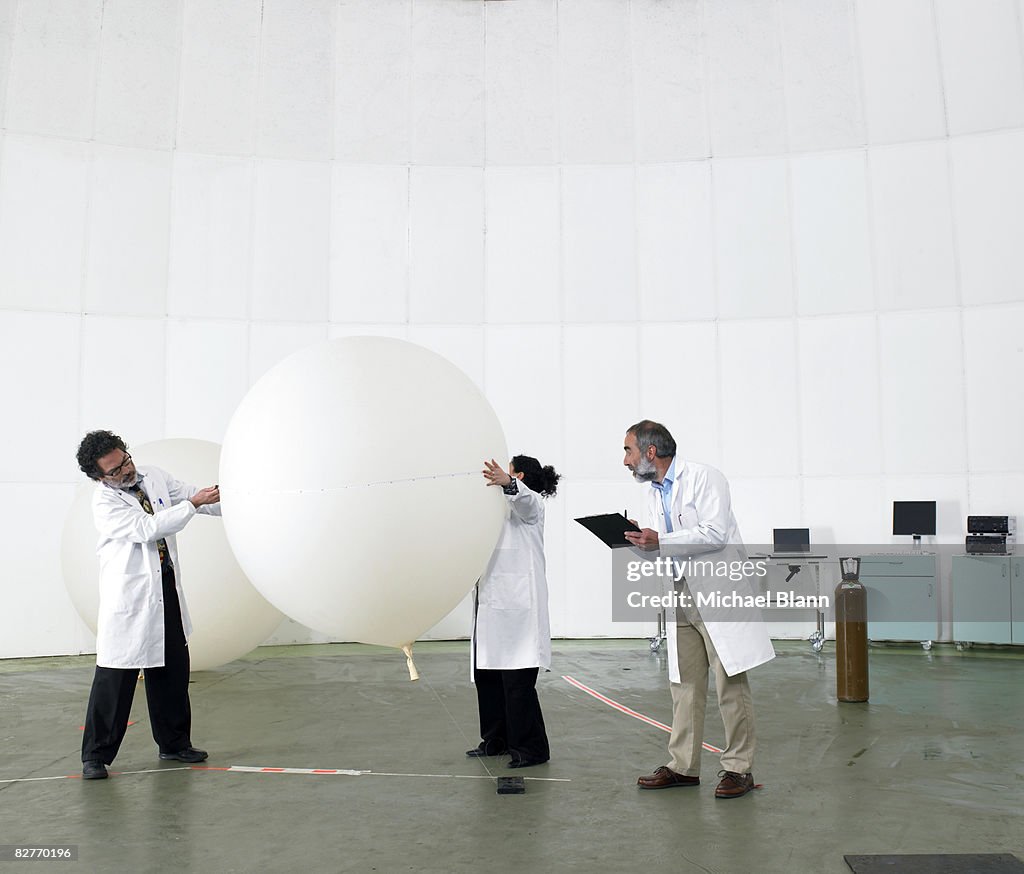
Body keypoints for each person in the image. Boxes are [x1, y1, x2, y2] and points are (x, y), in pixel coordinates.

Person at [622, 420, 775, 799]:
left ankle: (738, 768)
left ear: (650, 452)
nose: (625, 460)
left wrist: (663, 539)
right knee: (684, 684)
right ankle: (683, 766)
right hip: (680, 590)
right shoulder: (655, 491)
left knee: (730, 683)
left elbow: (714, 532)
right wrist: (644, 538)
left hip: (718, 590)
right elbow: (667, 541)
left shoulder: (706, 478)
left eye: (629, 451)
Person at [75, 430, 221, 780]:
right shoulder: (104, 503)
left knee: (172, 670)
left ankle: (174, 743)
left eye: (125, 459)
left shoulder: (153, 476)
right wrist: (194, 504)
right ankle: (95, 756)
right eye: (114, 470)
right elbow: (147, 527)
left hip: (164, 585)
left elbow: (192, 495)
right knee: (115, 679)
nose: (125, 470)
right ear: (99, 477)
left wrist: (237, 500)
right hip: (130, 598)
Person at [466, 455, 560, 768]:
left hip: (520, 610)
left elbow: (527, 504)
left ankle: (531, 749)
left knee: (518, 684)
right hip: (492, 605)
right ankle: (496, 740)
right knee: (488, 677)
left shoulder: (529, 504)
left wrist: (510, 485)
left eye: (505, 473)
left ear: (517, 475)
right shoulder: (496, 511)